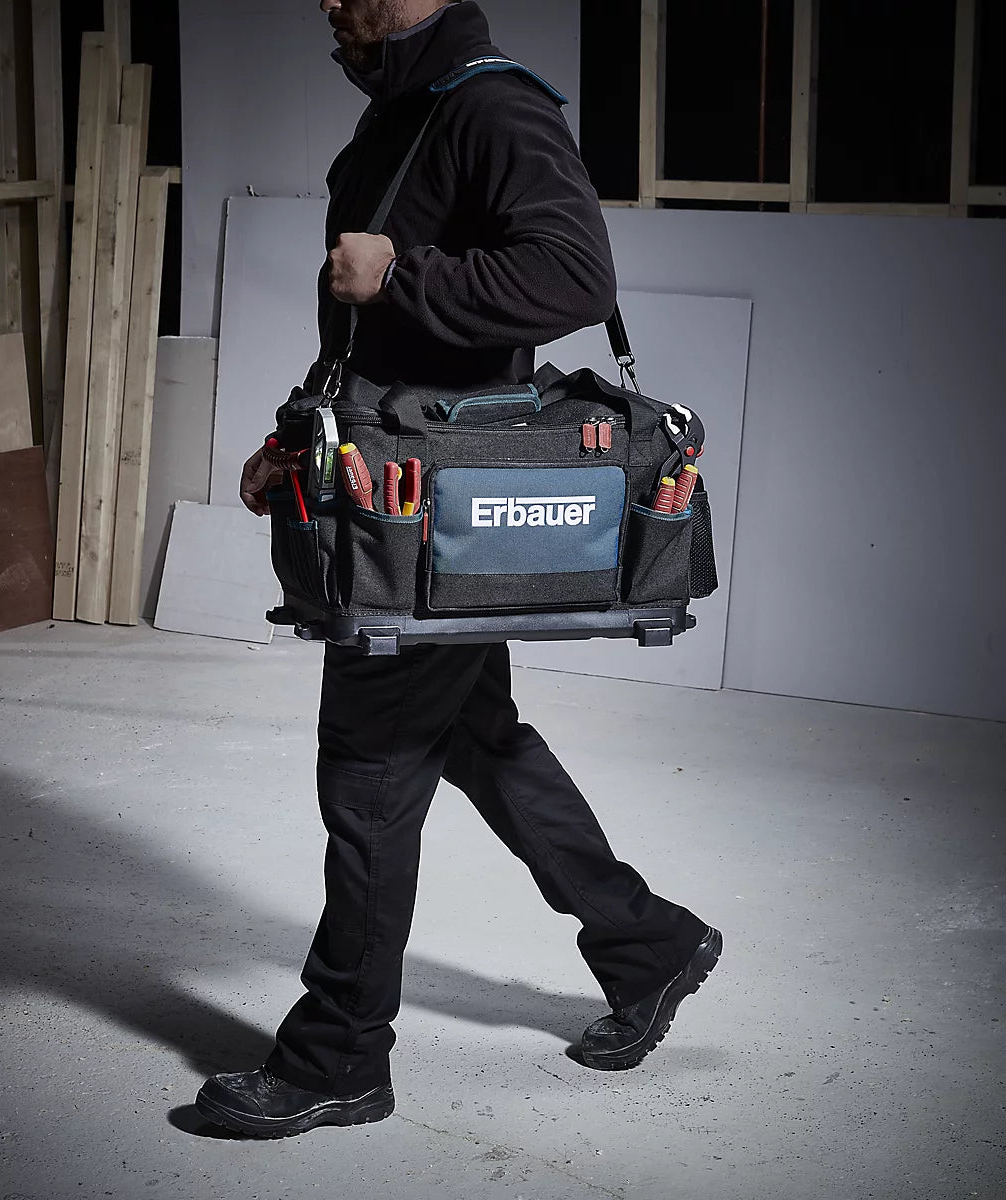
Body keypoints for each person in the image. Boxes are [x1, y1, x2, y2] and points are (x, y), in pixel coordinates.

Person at [196, 0, 721, 1138]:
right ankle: (647, 943)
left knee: (370, 770)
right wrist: (299, 438)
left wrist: (402, 274)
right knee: (478, 739)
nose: (330, 5)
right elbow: (369, 341)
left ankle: (338, 1056)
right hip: (397, 493)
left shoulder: (492, 105)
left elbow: (574, 277)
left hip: (437, 516)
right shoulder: (403, 113)